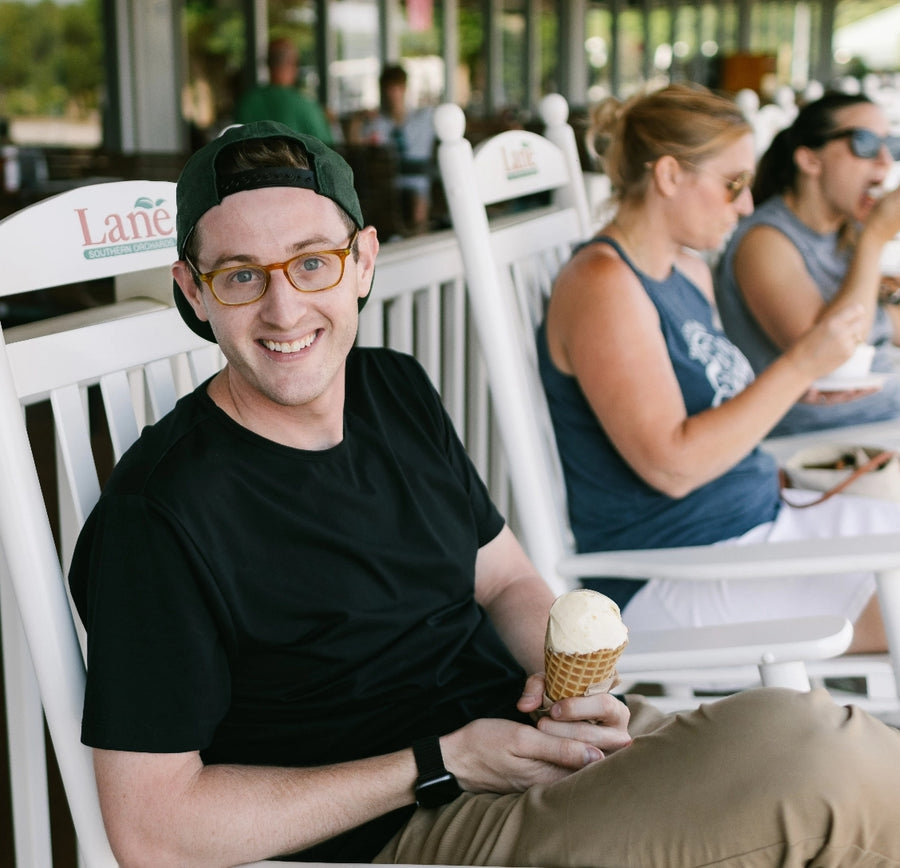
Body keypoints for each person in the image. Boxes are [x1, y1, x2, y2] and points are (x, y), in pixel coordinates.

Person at [67, 119, 900, 868]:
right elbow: (154, 832)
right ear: (193, 291)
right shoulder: (158, 516)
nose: (284, 310)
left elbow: (503, 579)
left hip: (530, 751)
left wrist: (565, 683)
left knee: (813, 736)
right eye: (240, 276)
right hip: (413, 827)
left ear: (362, 261)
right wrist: (440, 762)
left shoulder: (394, 390)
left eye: (312, 263)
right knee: (822, 775)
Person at [538, 83, 900, 645]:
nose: (747, 205)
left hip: (759, 525)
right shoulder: (602, 283)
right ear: (669, 176)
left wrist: (799, 387)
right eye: (733, 184)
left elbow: (716, 406)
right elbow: (672, 466)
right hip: (677, 565)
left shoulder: (685, 271)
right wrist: (800, 366)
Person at [716, 90, 900, 436]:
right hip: (819, 437)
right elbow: (829, 357)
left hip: (879, 418)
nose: (885, 161)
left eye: (891, 145)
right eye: (864, 143)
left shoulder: (843, 231)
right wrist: (875, 238)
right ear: (810, 160)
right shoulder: (764, 241)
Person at [358, 64, 436, 234]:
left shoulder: (424, 118)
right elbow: (355, 147)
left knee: (417, 204)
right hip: (387, 185)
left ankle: (419, 237)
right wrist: (358, 118)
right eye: (388, 89)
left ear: (405, 89)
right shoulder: (377, 123)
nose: (392, 94)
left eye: (397, 88)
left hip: (417, 182)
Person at [234, 37, 333, 143]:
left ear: (268, 63)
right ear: (293, 63)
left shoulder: (247, 102)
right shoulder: (306, 105)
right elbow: (327, 146)